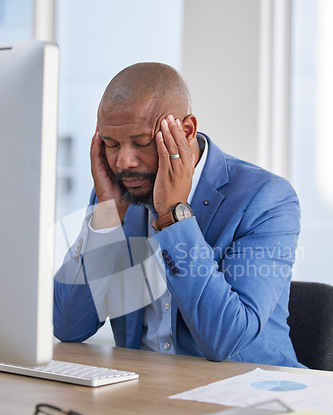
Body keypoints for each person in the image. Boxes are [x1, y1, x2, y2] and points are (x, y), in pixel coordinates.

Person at [54, 62, 304, 368]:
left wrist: (174, 215)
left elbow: (226, 339)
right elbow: (68, 327)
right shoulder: (118, 196)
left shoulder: (265, 198)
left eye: (142, 143)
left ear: (185, 131)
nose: (124, 161)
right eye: (111, 144)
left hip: (251, 392)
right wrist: (106, 221)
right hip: (146, 394)